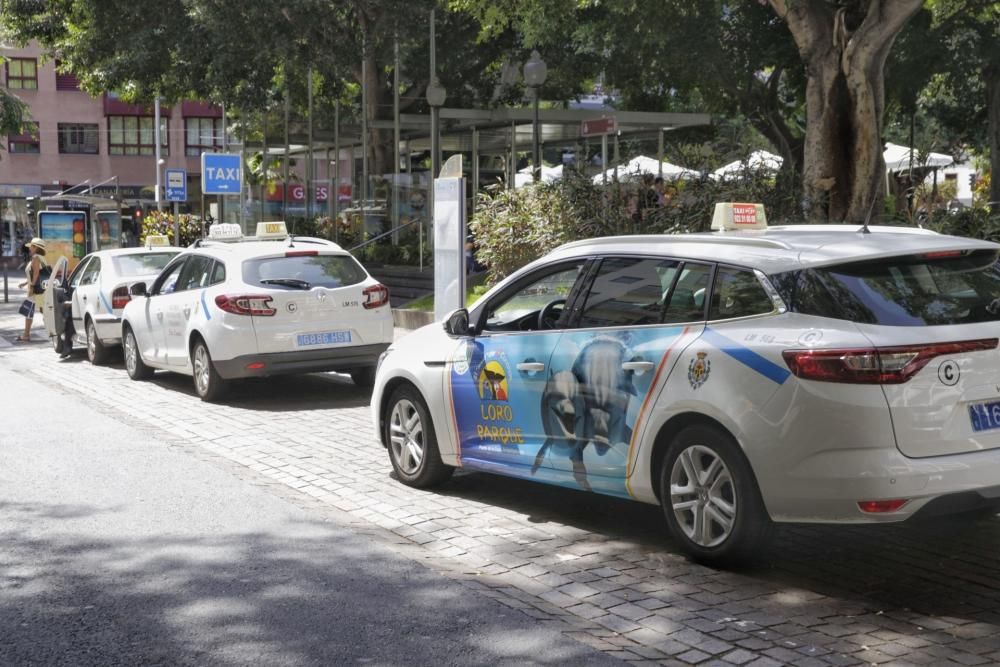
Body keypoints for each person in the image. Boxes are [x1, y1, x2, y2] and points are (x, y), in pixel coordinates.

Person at [16, 237, 47, 342]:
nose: (30, 249)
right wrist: (25, 283)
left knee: (29, 311)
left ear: (36, 248)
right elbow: (34, 274)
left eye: (31, 247)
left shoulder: (36, 258)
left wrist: (32, 286)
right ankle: (27, 334)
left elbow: (37, 274)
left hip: (35, 290)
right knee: (43, 311)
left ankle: (26, 335)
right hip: (40, 289)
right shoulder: (40, 257)